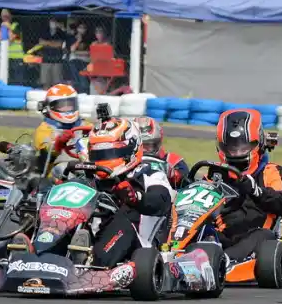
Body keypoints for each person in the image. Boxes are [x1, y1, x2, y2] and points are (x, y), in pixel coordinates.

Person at [84, 117, 174, 265]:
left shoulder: (149, 174)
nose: (104, 159)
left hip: (138, 249)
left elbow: (161, 200)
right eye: (99, 155)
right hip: (92, 237)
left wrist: (136, 198)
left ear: (130, 150)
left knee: (122, 223)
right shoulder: (90, 178)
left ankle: (97, 263)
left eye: (110, 153)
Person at [209, 109, 282, 262]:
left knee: (263, 236)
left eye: (243, 148)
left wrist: (256, 190)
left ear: (258, 144)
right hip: (222, 237)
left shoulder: (272, 172)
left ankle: (222, 261)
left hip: (257, 239)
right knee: (204, 231)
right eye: (231, 148)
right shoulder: (216, 174)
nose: (237, 153)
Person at [33, 83, 89, 176]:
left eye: (70, 105)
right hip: (55, 174)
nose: (67, 108)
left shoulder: (85, 125)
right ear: (49, 107)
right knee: (64, 168)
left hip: (85, 166)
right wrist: (59, 142)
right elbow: (46, 149)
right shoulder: (45, 129)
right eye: (62, 105)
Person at [133, 116, 189, 189]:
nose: (144, 150)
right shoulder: (125, 162)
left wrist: (174, 175)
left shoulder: (174, 162)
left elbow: (187, 186)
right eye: (141, 146)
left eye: (149, 145)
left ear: (158, 142)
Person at [39, 17, 69, 88]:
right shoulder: (44, 31)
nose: (53, 23)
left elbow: (60, 44)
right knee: (45, 83)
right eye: (51, 21)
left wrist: (47, 43)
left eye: (54, 21)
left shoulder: (61, 32)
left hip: (57, 59)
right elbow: (41, 42)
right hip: (46, 59)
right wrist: (53, 43)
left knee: (56, 83)